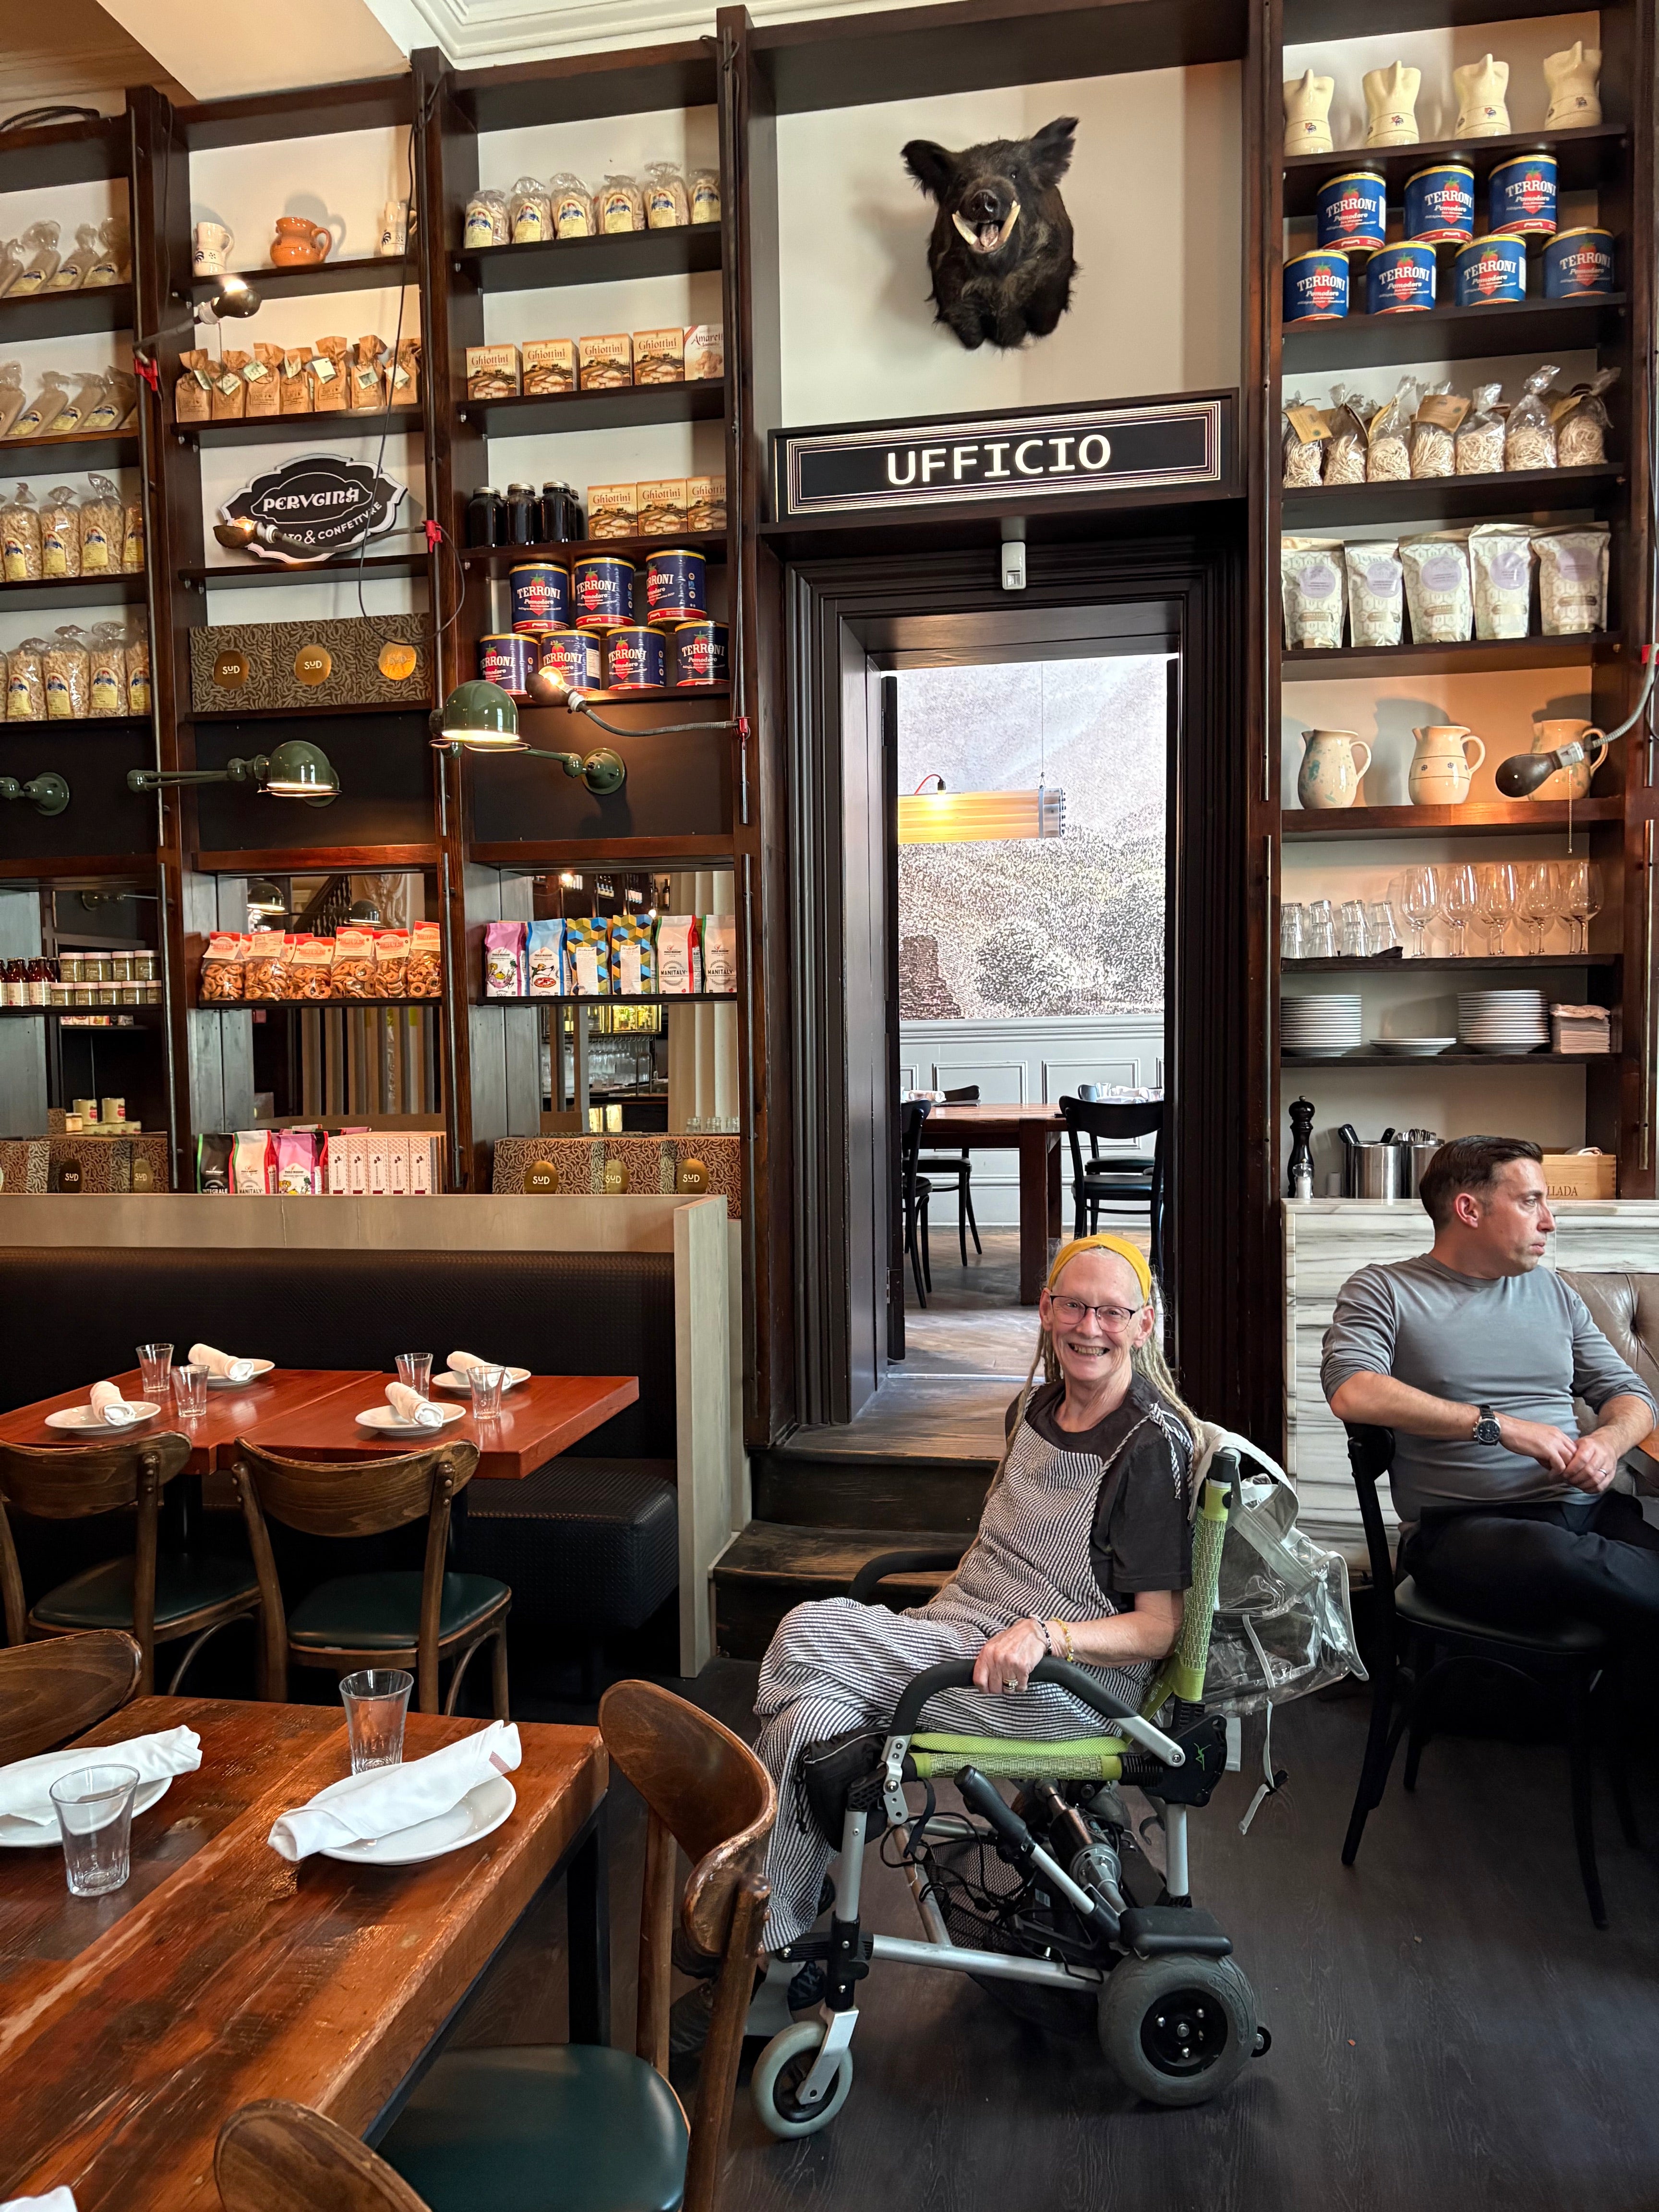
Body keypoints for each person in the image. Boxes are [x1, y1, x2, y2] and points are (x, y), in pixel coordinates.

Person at [752, 1232, 1196, 1956]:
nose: (1090, 1328)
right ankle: (770, 1947)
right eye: (1074, 1307)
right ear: (1046, 1310)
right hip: (965, 1638)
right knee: (808, 1720)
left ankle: (735, 1880)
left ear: (1143, 1325)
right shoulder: (1033, 1409)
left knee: (806, 1632)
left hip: (1060, 1686)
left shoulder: (1148, 1449)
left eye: (1112, 1313)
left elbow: (1158, 1629)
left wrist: (1050, 1636)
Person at [1322, 1134, 1659, 1655]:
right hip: (1463, 1531)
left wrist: (1608, 1445)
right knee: (1559, 1556)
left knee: (1599, 1558)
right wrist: (1497, 1425)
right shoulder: (1384, 1289)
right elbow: (1352, 1389)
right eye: (1530, 1202)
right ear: (1469, 1210)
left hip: (1585, 1512)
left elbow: (1630, 1393)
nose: (1549, 1221)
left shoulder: (1553, 1292)